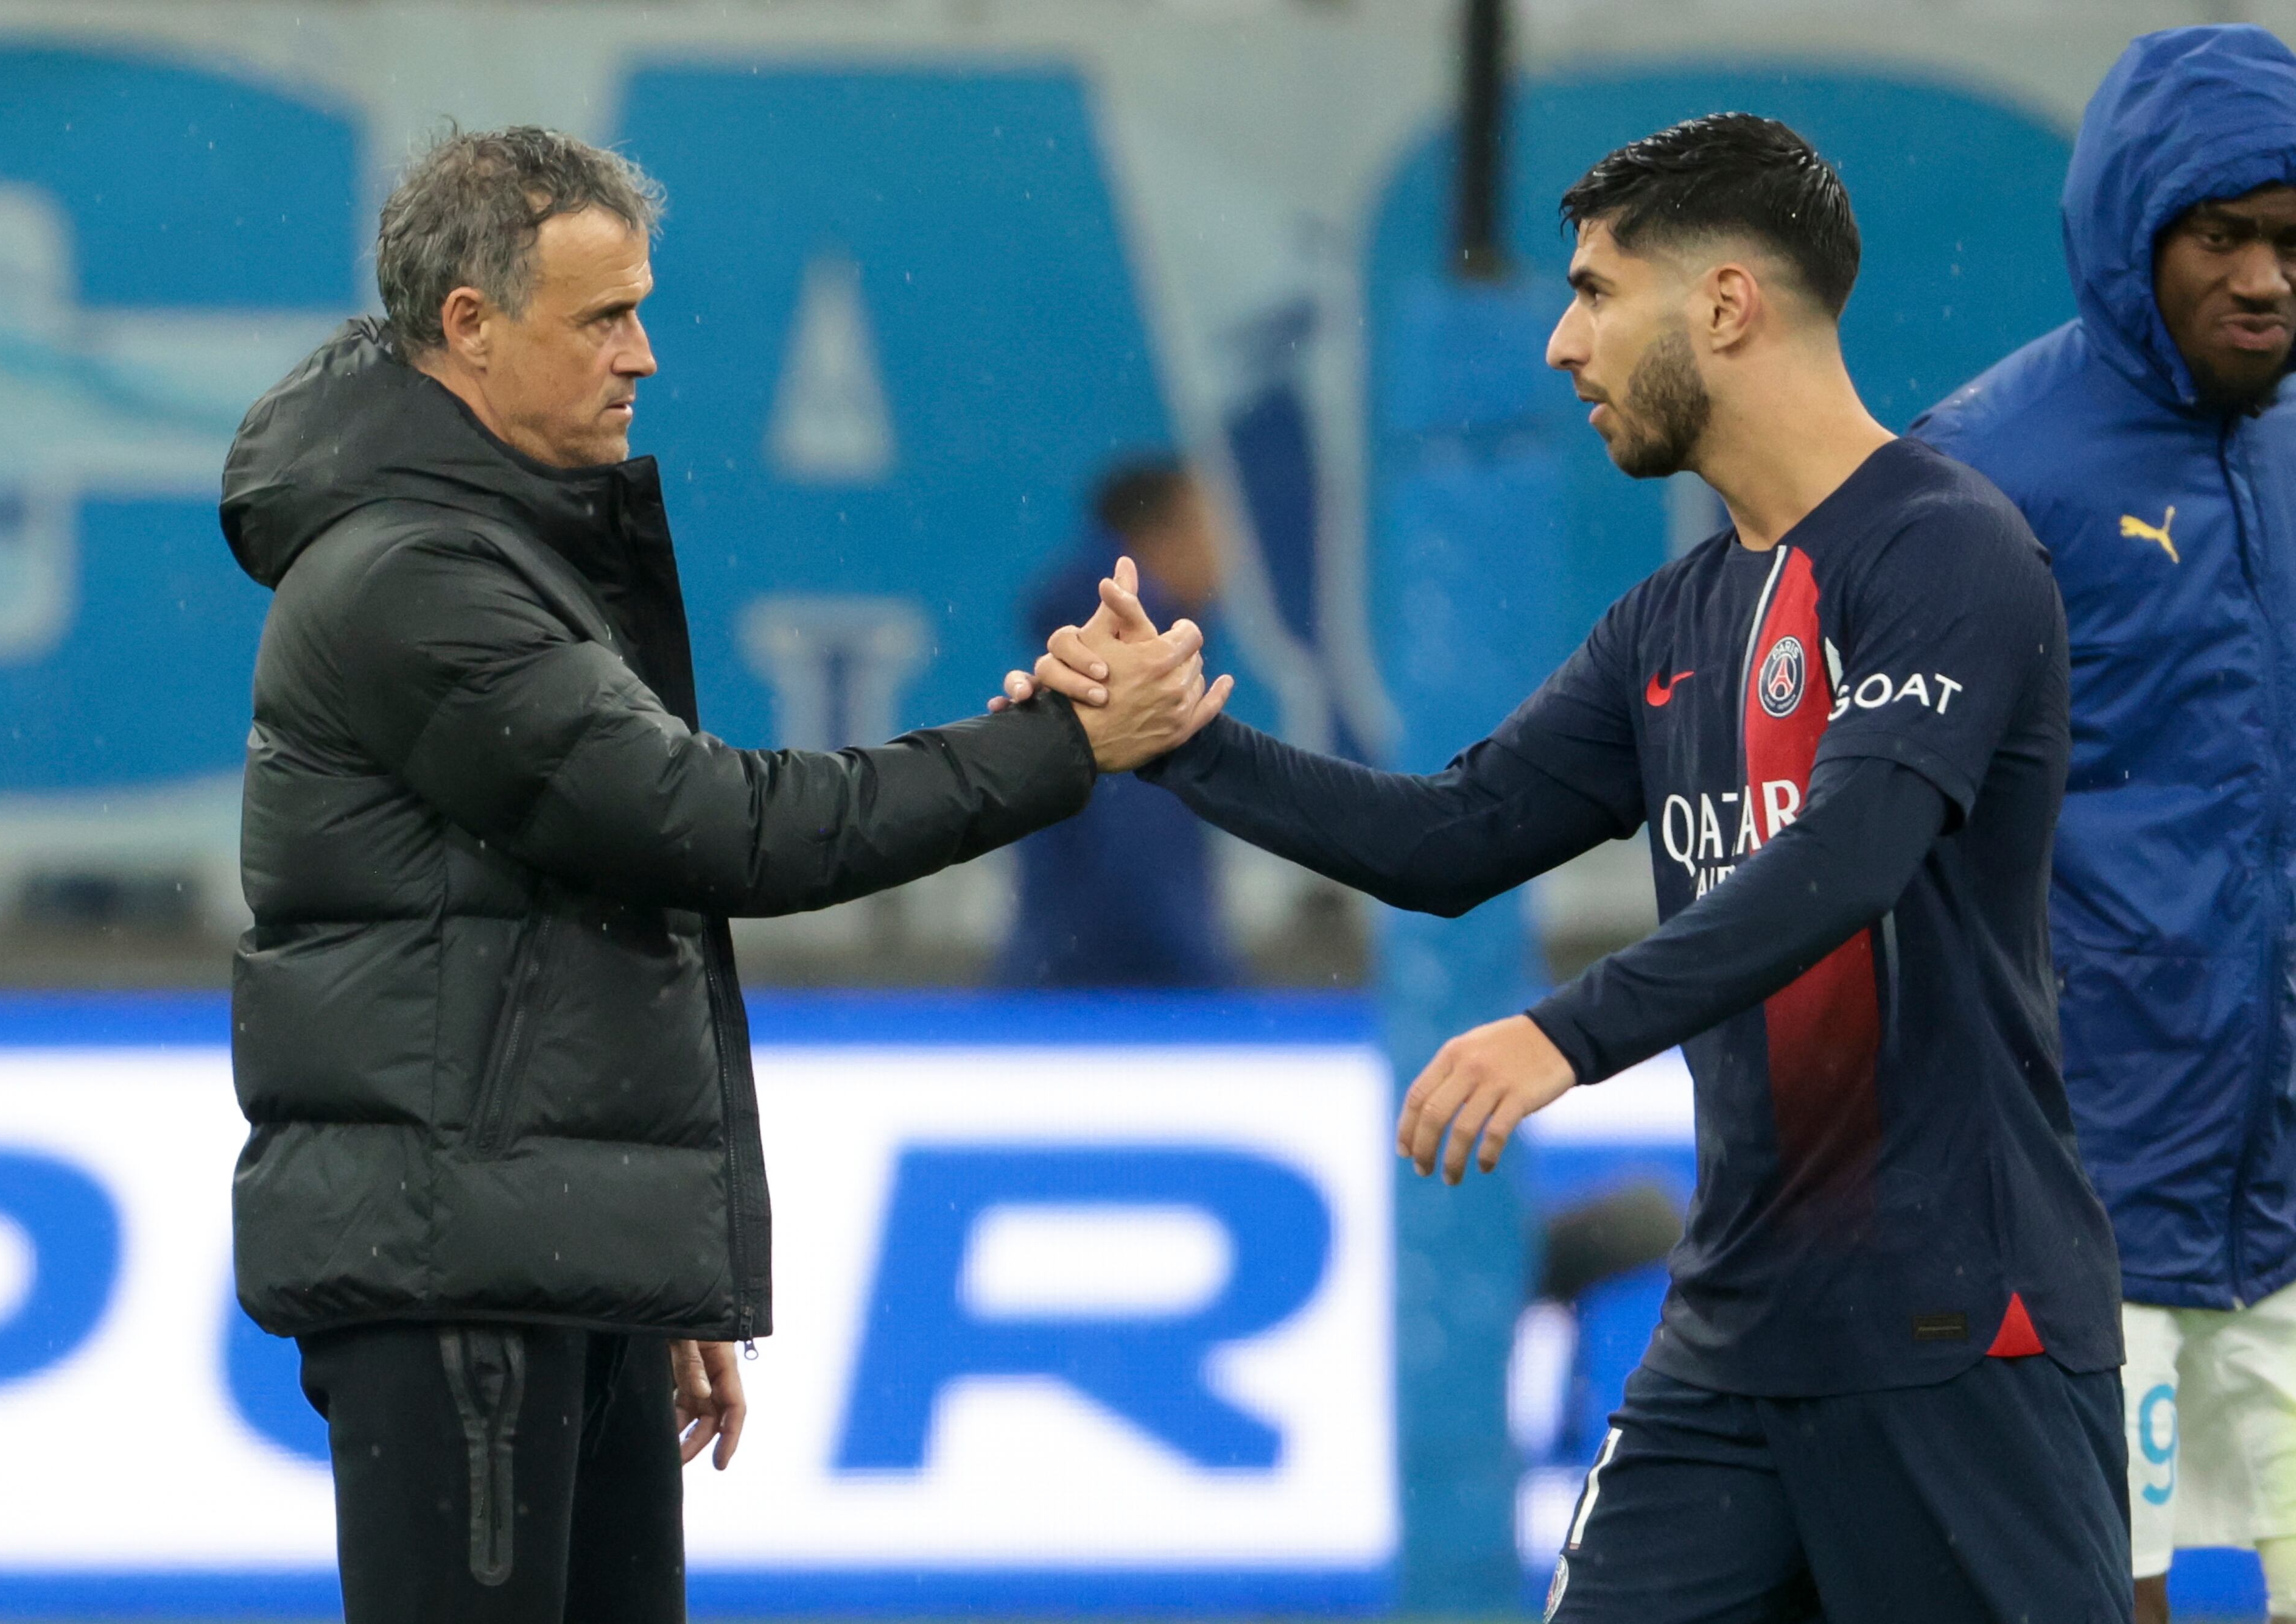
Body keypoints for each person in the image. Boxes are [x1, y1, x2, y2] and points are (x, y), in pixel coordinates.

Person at [1004, 112, 2128, 1622]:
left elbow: (1852, 855)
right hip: (1732, 1341)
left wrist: (1564, 1030)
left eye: (1596, 291)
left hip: (1954, 1330)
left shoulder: (1945, 553)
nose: (1556, 342)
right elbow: (1448, 839)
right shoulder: (1668, 622)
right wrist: (1181, 744)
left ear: (1725, 305)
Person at [219, 126, 1224, 1624]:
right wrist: (1060, 750)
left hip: (536, 1252)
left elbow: (603, 914)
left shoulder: (496, 547)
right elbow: (719, 832)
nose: (644, 358)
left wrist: (633, 1257)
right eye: (604, 319)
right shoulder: (411, 577)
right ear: (469, 328)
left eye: (641, 310)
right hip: (462, 1274)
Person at [1911, 26, 2296, 1622]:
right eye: (2226, 236)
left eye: (2293, 239)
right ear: (2134, 238)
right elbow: (1881, 840)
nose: (2269, 278)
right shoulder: (1977, 472)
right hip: (2076, 1178)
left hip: (2279, 1182)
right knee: (2096, 1588)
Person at [998, 457, 1237, 986]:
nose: (1224, 558)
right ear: (1159, 540)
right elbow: (1140, 859)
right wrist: (1207, 990)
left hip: (1061, 986)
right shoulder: (1131, 670)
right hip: (1119, 1001)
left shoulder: (1081, 652)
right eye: (1211, 531)